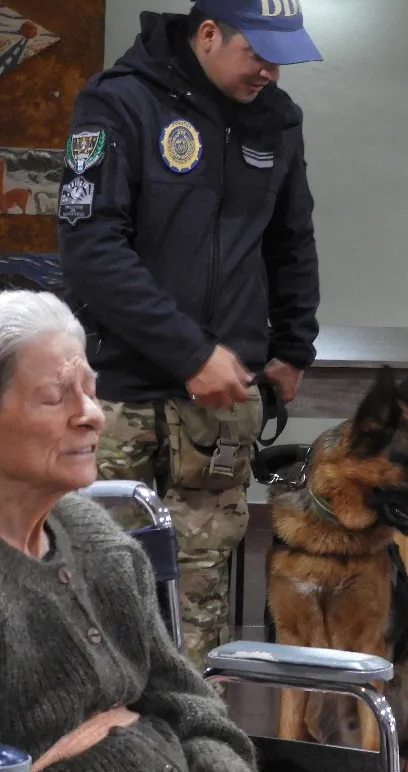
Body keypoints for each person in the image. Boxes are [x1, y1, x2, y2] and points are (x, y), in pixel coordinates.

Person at [55, 0, 323, 666]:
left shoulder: (276, 121)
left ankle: (196, 737)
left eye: (283, 59)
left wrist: (294, 345)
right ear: (208, 33)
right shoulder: (118, 103)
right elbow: (93, 250)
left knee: (200, 591)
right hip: (119, 392)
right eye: (258, 54)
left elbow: (290, 239)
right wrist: (190, 353)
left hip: (221, 404)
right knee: (101, 581)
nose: (271, 71)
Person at [0, 289, 257, 772]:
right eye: (57, 397)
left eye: (91, 390)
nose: (92, 414)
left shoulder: (97, 538)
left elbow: (188, 705)